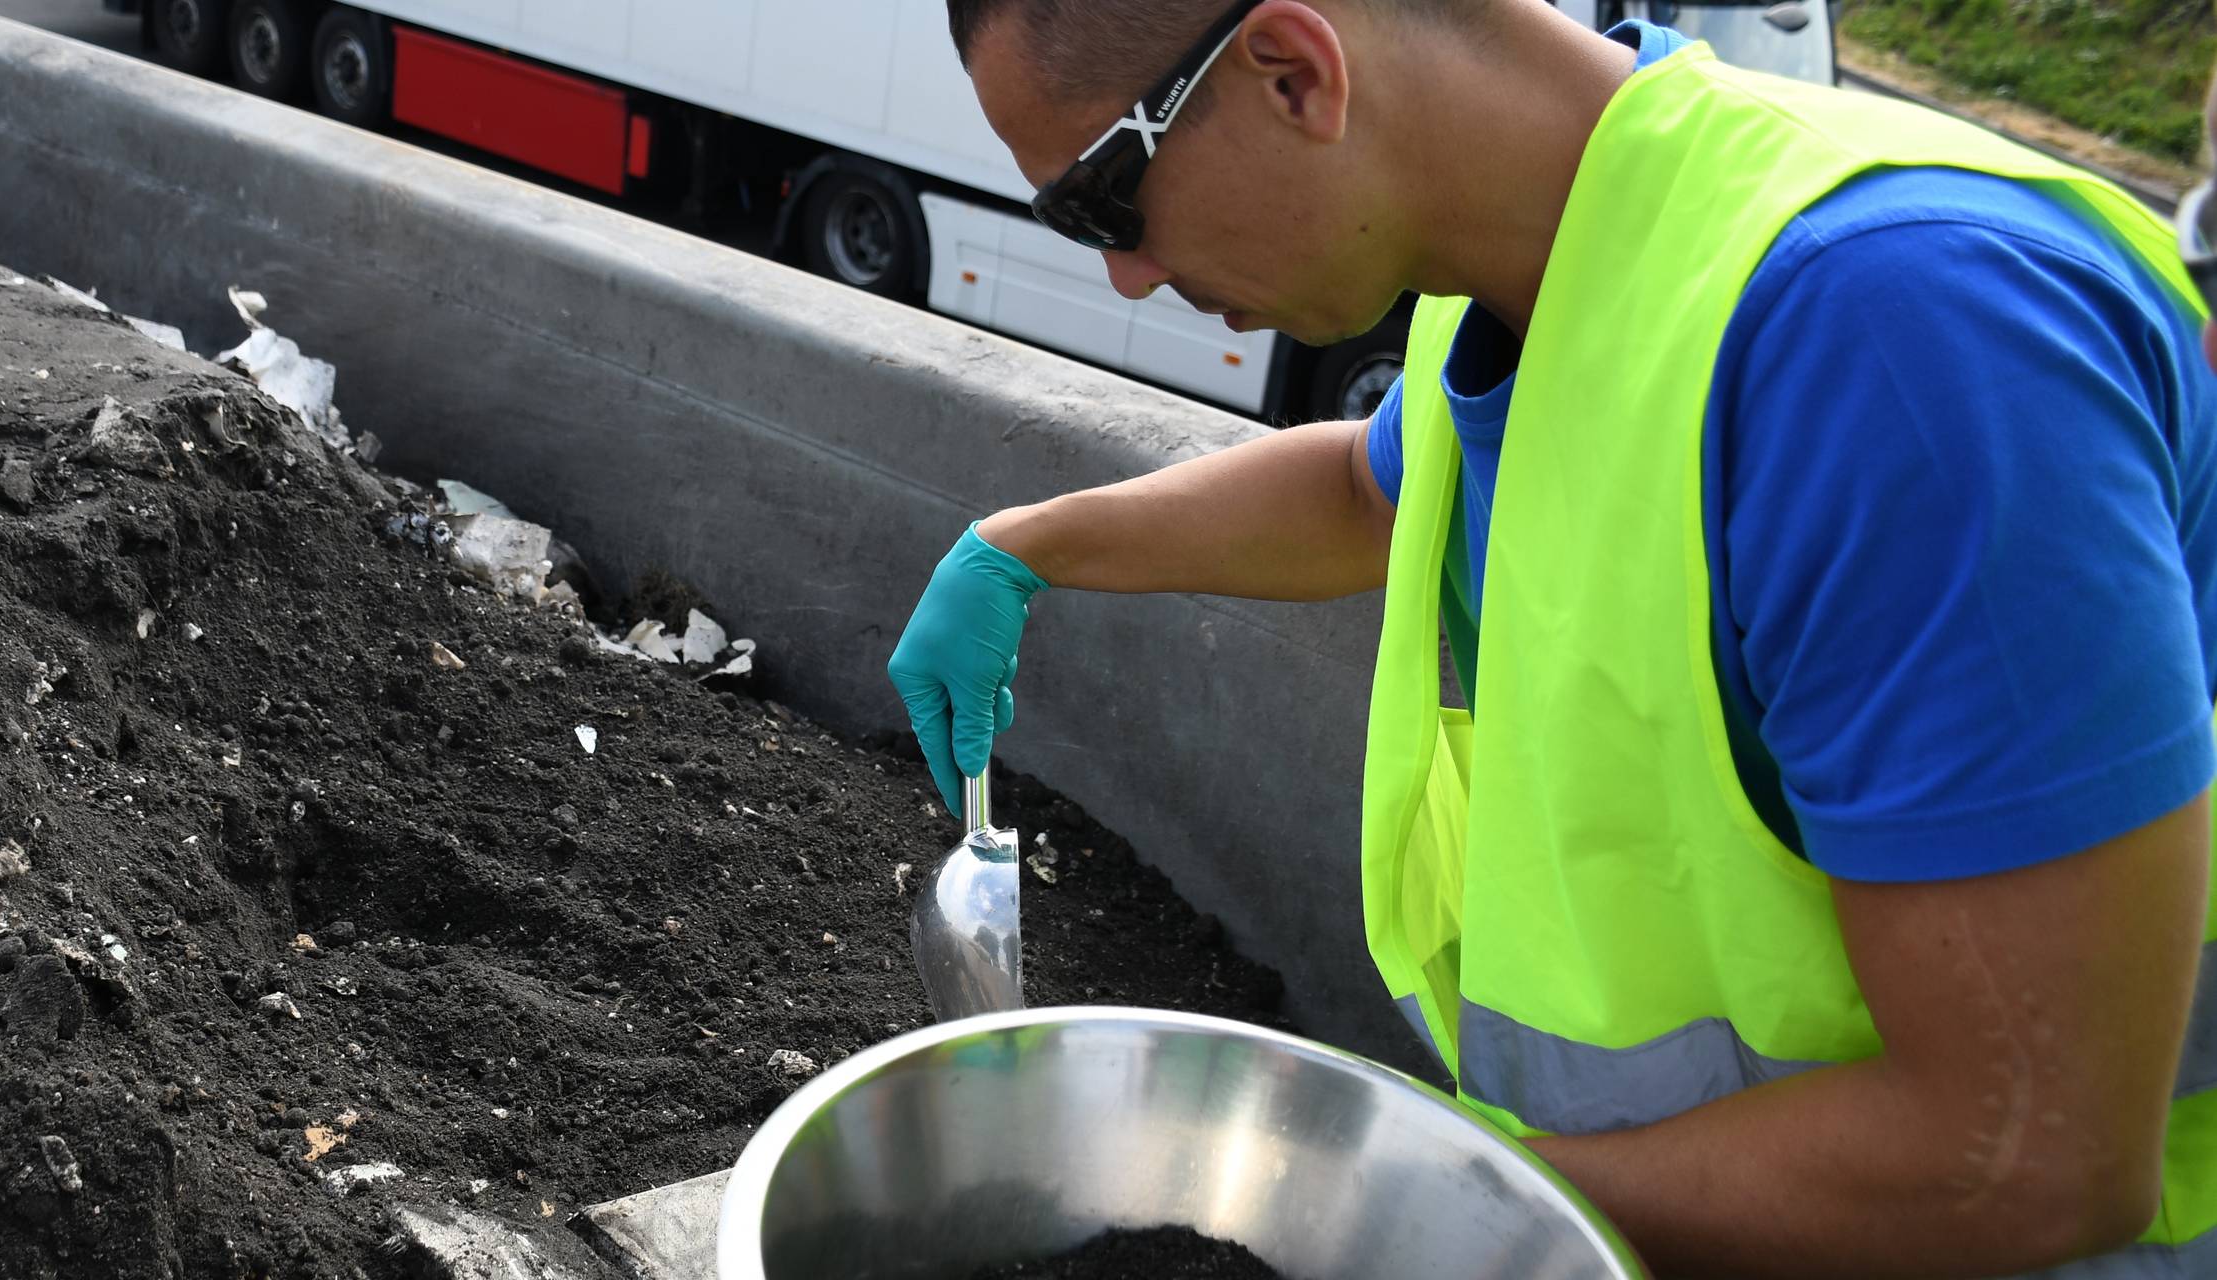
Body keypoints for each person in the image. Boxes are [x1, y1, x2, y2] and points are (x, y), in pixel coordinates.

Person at [889, 0, 2217, 1273]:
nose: (1126, 271)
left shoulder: (1899, 342)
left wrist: (1412, 1200)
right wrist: (1031, 547)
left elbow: (2026, 1151)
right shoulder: (1551, 255)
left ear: (1293, 70)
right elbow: (1383, 488)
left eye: (1103, 200)